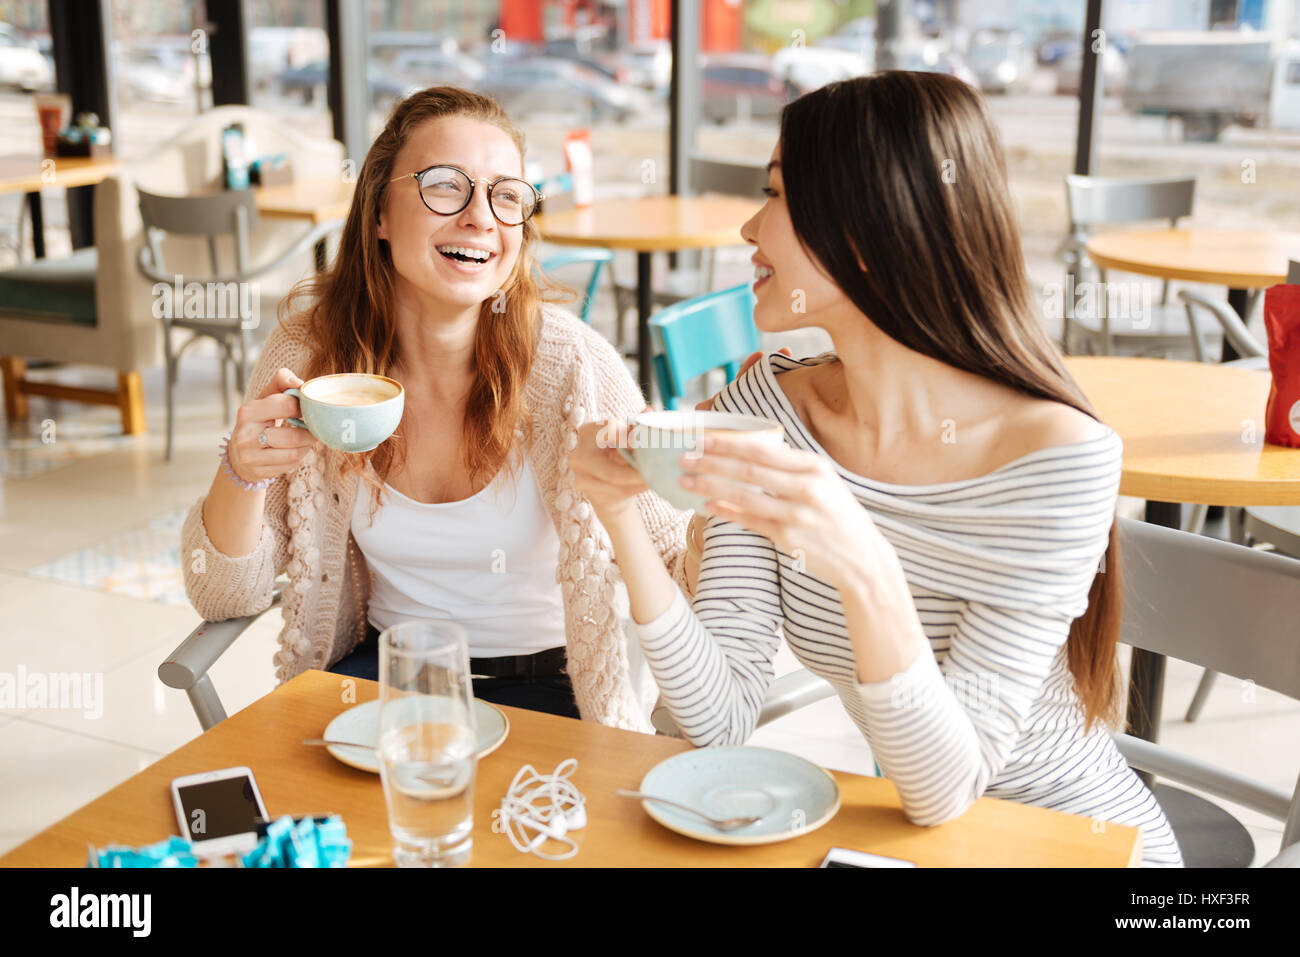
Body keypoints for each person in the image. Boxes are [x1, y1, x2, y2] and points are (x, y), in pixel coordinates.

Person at [570, 71, 1182, 865]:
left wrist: (861, 561)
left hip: (1067, 838)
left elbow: (945, 786)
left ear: (865, 230)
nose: (749, 227)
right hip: (900, 840)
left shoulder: (1058, 459)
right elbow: (714, 723)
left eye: (777, 195)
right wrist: (619, 513)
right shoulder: (770, 409)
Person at [181, 87, 690, 729]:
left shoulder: (576, 369)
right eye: (446, 186)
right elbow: (223, 591)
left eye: (507, 196)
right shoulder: (312, 358)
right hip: (386, 678)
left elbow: (678, 563)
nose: (481, 218)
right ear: (379, 214)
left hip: (551, 689)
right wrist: (242, 472)